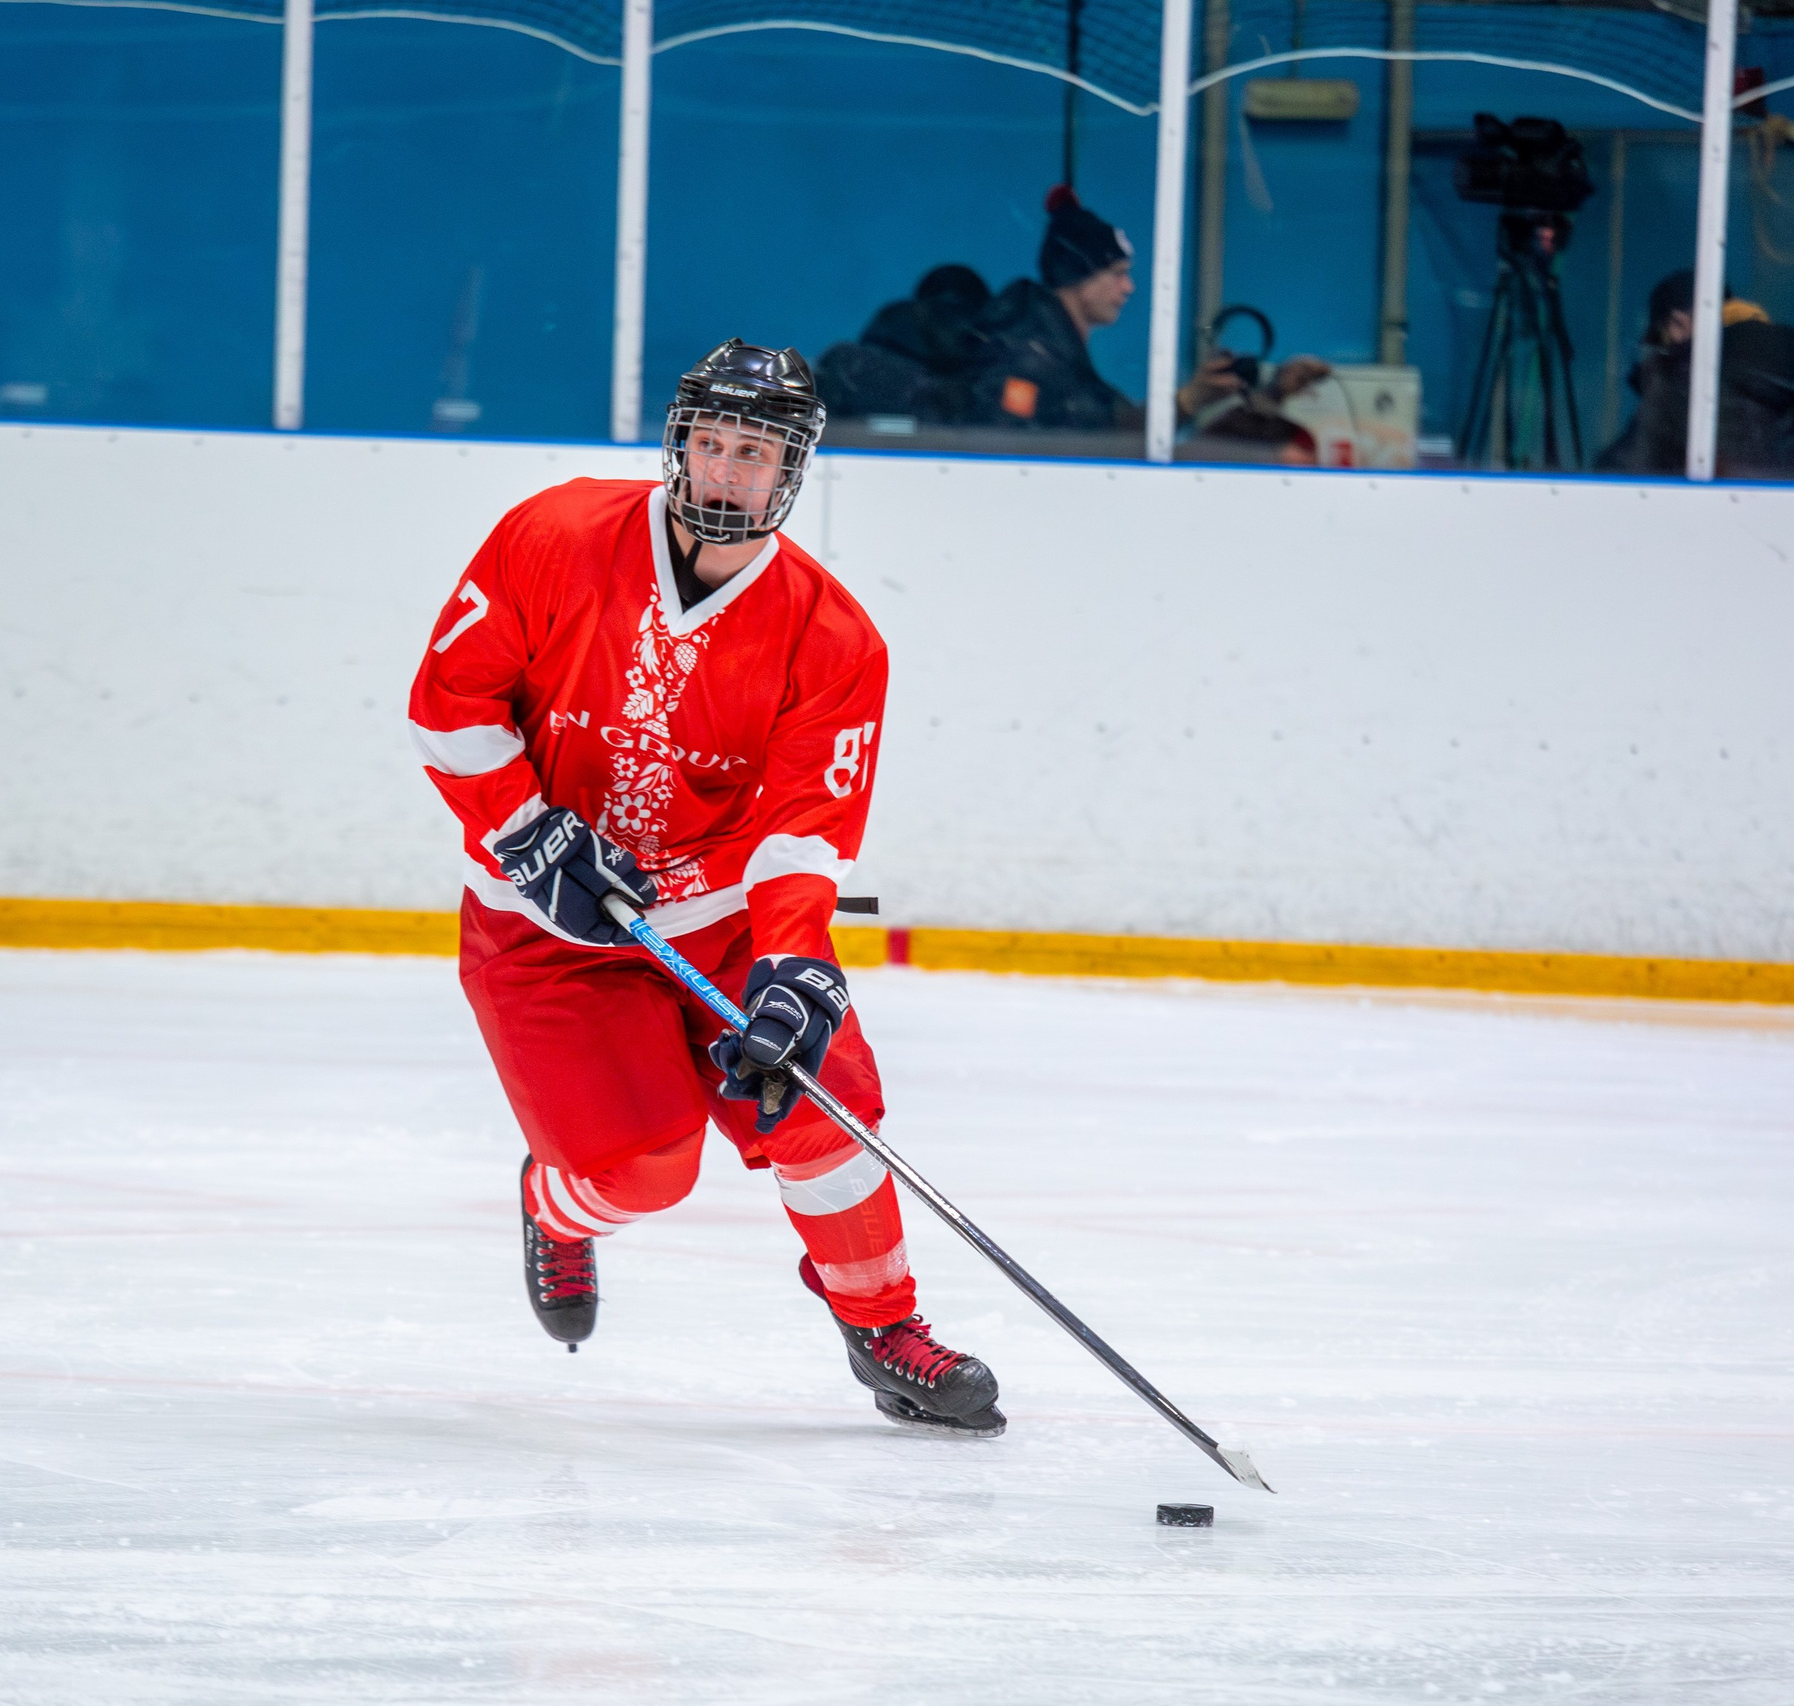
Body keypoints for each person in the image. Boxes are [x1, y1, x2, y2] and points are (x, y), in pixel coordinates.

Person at [407, 339, 1005, 1438]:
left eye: (756, 453)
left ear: (792, 472)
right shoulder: (553, 535)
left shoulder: (834, 640)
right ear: (679, 447)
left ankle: (883, 1327)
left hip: (724, 920)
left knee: (825, 1108)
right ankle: (552, 1200)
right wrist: (533, 838)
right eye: (713, 444)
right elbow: (449, 707)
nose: (728, 471)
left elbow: (798, 834)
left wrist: (790, 967)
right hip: (542, 927)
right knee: (641, 1173)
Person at [962, 186, 1329, 436]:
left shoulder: (1055, 351)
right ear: (1078, 274)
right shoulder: (1028, 358)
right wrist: (1191, 399)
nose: (1129, 287)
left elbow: (1117, 428)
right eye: (1118, 274)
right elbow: (1106, 441)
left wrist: (1231, 396)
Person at [1597, 269, 1794, 478]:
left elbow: (1624, 468)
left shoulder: (1688, 372)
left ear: (1677, 323)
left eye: (1660, 342)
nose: (1660, 355)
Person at [813, 263, 990, 424]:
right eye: (949, 311)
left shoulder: (989, 379)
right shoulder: (853, 366)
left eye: (972, 313)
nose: (962, 325)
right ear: (920, 313)